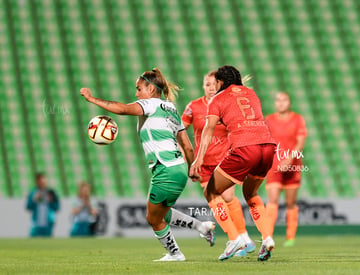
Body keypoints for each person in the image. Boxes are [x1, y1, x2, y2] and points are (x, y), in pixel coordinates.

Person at [80, 68, 215, 261]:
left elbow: (122, 109)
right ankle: (202, 227)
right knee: (160, 212)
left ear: (151, 89)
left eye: (139, 89)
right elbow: (186, 144)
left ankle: (175, 254)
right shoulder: (171, 108)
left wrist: (92, 99)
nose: (136, 94)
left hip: (165, 168)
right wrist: (192, 167)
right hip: (177, 168)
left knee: (153, 218)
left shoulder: (150, 104)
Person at [190, 65, 276, 261]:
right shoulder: (251, 93)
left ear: (220, 82)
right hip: (268, 147)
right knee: (251, 193)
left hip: (245, 148)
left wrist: (198, 159)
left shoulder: (217, 99)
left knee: (211, 191)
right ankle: (267, 238)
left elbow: (208, 129)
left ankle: (234, 238)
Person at [181, 71, 255, 256]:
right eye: (207, 84)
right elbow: (180, 130)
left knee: (227, 197)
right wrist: (183, 154)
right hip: (204, 163)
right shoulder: (193, 107)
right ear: (203, 86)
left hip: (225, 160)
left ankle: (239, 238)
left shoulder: (228, 104)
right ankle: (239, 238)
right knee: (215, 198)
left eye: (214, 84)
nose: (211, 88)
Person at [265, 92, 307, 247]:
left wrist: (289, 159)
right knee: (273, 200)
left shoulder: (297, 119)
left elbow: (300, 142)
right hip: (274, 166)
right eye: (278, 100)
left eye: (284, 100)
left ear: (289, 102)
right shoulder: (268, 120)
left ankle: (290, 237)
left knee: (290, 202)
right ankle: (268, 236)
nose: (281, 103)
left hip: (293, 166)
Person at [26, 172, 60, 237]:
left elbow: (57, 207)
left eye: (43, 181)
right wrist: (34, 200)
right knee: (34, 243)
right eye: (40, 181)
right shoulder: (33, 192)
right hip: (36, 223)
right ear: (37, 182)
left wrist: (51, 201)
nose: (42, 183)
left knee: (47, 243)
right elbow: (28, 206)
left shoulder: (51, 192)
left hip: (48, 222)